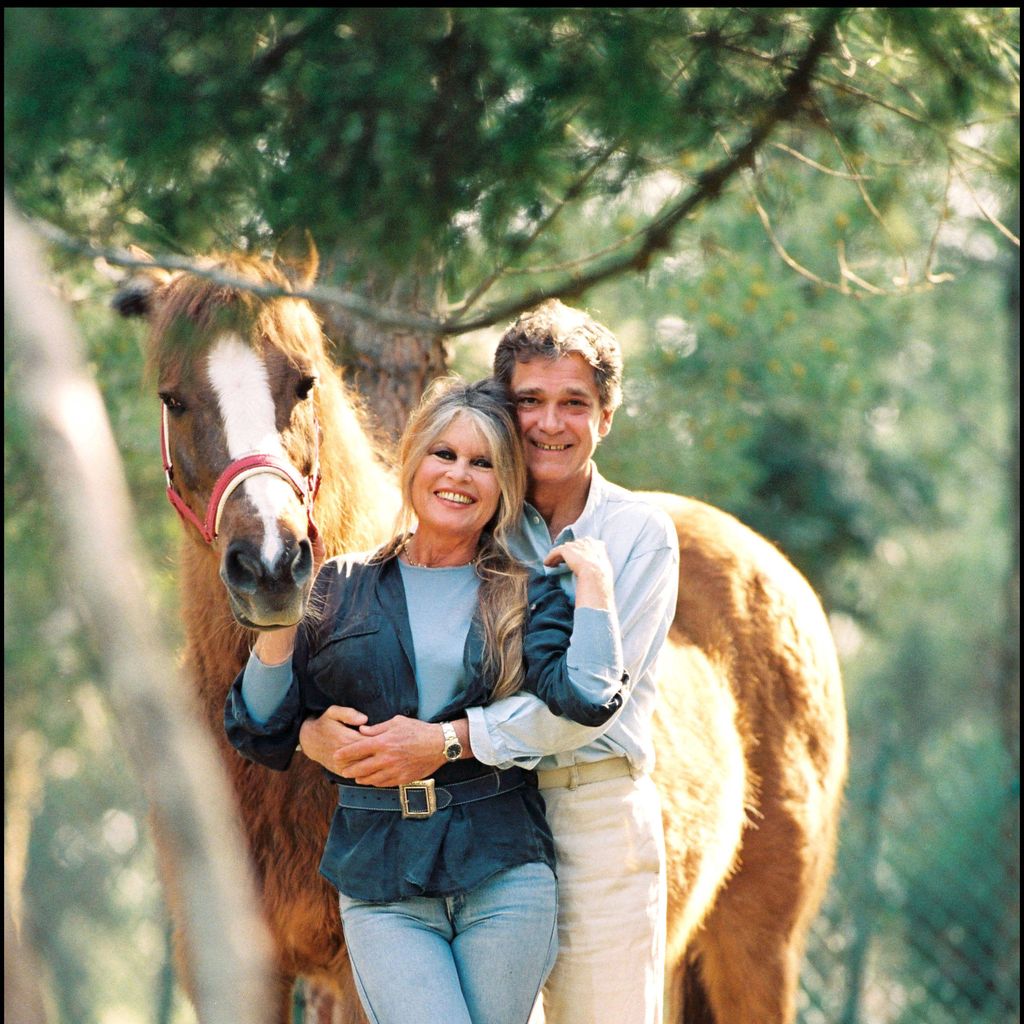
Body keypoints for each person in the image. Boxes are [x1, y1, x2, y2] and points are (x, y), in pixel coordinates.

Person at [301, 301, 680, 1024]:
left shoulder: (637, 536)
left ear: (605, 417)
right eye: (530, 401)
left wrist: (447, 741)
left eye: (574, 403)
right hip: (484, 821)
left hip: (590, 811)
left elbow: (587, 708)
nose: (549, 423)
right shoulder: (475, 518)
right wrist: (311, 732)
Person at [224, 375, 628, 1024]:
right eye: (444, 453)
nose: (459, 475)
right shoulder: (340, 585)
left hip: (505, 873)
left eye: (482, 462)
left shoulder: (528, 592)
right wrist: (279, 629)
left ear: (505, 483)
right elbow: (259, 726)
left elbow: (586, 697)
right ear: (414, 460)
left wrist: (597, 588)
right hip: (380, 876)